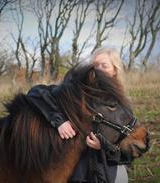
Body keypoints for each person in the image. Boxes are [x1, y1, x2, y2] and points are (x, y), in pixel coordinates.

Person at [27, 47, 128, 183]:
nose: (98, 70)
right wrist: (59, 121)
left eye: (104, 66)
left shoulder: (120, 102)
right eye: (95, 66)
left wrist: (104, 146)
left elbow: (132, 145)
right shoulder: (81, 90)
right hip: (79, 164)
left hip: (108, 166)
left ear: (115, 70)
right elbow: (37, 93)